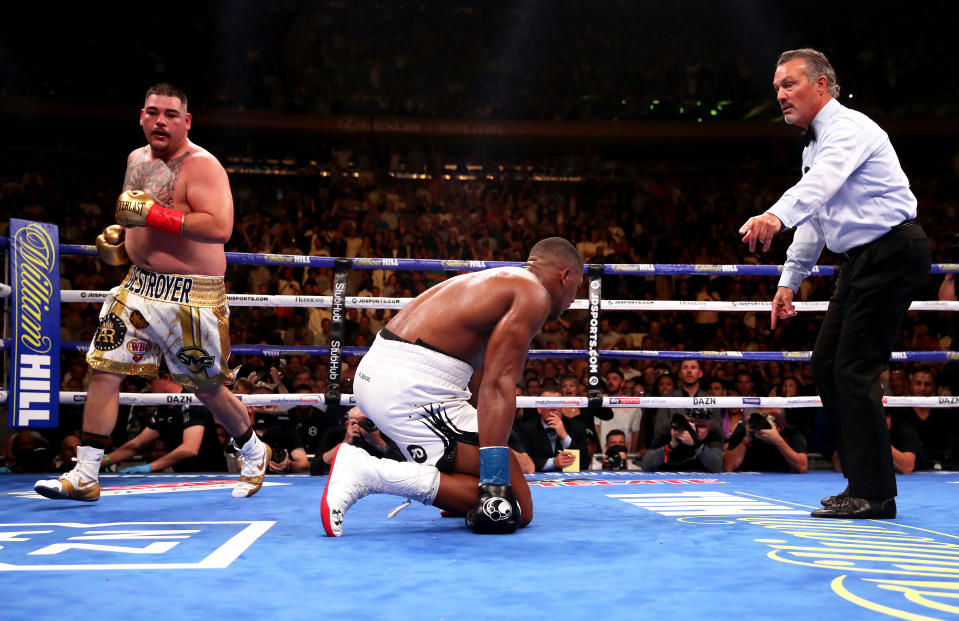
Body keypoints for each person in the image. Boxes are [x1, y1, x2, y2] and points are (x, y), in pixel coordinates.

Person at [35, 83, 270, 502]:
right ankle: (86, 474)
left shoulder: (204, 166)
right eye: (153, 112)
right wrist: (121, 245)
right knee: (105, 369)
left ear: (187, 121)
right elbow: (134, 216)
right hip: (139, 286)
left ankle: (253, 450)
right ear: (142, 116)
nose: (161, 120)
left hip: (192, 296)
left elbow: (220, 227)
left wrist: (155, 215)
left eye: (171, 114)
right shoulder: (135, 160)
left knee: (205, 386)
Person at [739, 49, 931, 518]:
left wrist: (773, 215)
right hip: (862, 260)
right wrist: (790, 280)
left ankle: (876, 493)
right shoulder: (814, 144)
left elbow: (818, 187)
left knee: (852, 370)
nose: (780, 95)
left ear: (822, 86)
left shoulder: (849, 129)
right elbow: (817, 218)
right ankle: (862, 482)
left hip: (891, 251)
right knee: (827, 364)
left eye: (789, 85)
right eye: (777, 88)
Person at [321, 237, 583, 536]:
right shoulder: (533, 294)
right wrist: (493, 483)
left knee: (499, 474)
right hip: (411, 387)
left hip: (401, 376)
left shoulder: (502, 283)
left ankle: (453, 490)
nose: (575, 298)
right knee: (515, 508)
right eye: (578, 285)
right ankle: (368, 472)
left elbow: (478, 379)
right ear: (565, 275)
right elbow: (498, 385)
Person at [104, 372, 227, 473]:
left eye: (150, 381)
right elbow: (138, 443)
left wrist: (150, 467)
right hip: (185, 478)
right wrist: (104, 461)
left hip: (211, 478)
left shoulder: (193, 401)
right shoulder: (165, 408)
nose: (148, 386)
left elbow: (190, 448)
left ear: (166, 378)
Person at [513, 388, 589, 472]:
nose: (553, 408)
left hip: (569, 480)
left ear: (563, 408)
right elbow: (523, 462)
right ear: (539, 409)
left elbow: (585, 463)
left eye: (557, 403)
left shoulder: (577, 427)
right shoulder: (525, 429)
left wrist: (565, 437)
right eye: (548, 403)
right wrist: (553, 463)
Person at [723, 408, 808, 474]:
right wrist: (745, 440)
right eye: (764, 418)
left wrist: (778, 441)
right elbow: (728, 466)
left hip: (783, 481)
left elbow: (802, 467)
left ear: (781, 426)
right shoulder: (746, 428)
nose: (765, 424)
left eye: (771, 420)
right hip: (747, 481)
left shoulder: (790, 432)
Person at [642, 409, 723, 473]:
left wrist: (697, 444)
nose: (696, 429)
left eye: (701, 426)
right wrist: (671, 445)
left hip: (700, 484)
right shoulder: (671, 430)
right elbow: (646, 464)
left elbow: (716, 466)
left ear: (711, 425)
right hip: (667, 482)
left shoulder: (714, 434)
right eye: (692, 423)